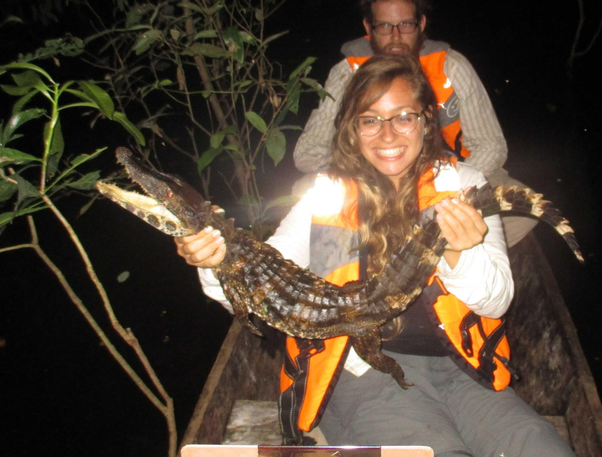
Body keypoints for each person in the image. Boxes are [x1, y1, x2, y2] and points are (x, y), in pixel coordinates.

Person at [176, 55, 576, 457]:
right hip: (361, 371)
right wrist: (216, 264)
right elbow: (260, 292)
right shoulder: (328, 199)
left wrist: (461, 251)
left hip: (465, 370)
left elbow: (496, 300)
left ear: (425, 120)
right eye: (370, 119)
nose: (387, 135)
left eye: (403, 117)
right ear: (353, 128)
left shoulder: (460, 186)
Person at [293, 0, 537, 247]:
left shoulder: (451, 66)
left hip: (446, 173)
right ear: (369, 27)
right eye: (384, 26)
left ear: (421, 23)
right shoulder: (346, 74)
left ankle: (438, 259)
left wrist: (438, 186)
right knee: (304, 192)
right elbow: (307, 154)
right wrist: (367, 176)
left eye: (405, 25)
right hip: (371, 177)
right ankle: (374, 259)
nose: (395, 37)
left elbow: (492, 146)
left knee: (522, 207)